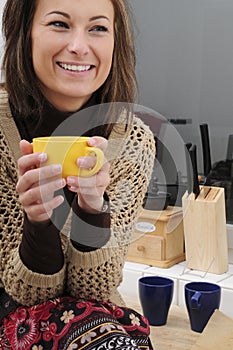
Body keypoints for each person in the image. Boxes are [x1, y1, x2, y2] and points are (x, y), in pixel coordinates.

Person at [0, 0, 156, 348]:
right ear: (24, 33)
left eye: (98, 28)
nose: (79, 46)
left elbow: (96, 288)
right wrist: (37, 220)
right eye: (59, 24)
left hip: (95, 323)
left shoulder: (134, 141)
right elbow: (27, 294)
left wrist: (92, 210)